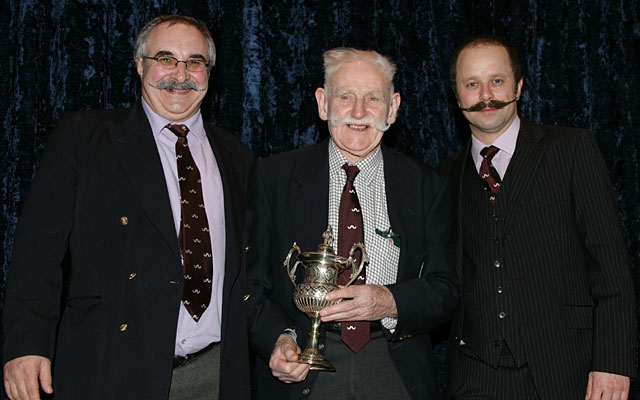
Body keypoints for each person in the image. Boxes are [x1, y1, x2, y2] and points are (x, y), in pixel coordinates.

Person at [3, 15, 252, 400]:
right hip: (112, 366)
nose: (180, 74)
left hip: (215, 374)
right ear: (140, 65)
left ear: (209, 72)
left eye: (195, 62)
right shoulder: (85, 138)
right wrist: (25, 344)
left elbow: (250, 272)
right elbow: (37, 254)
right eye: (165, 59)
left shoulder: (236, 156)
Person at [244, 47, 459, 399]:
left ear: (393, 108)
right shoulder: (274, 177)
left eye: (373, 98)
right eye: (345, 96)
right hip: (301, 367)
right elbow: (249, 282)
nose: (359, 112)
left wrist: (389, 301)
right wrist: (277, 338)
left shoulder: (427, 185)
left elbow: (445, 288)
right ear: (323, 102)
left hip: (393, 366)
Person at [439, 34, 636, 399]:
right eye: (472, 84)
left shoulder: (571, 150)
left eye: (497, 80)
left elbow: (611, 268)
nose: (486, 94)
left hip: (568, 370)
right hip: (475, 377)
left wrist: (613, 362)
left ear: (519, 85)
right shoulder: (443, 178)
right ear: (457, 95)